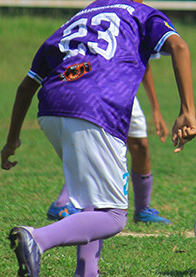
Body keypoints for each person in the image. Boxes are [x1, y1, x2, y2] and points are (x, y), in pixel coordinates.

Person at [1, 0, 196, 277]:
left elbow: (27, 84)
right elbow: (180, 47)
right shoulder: (141, 13)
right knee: (113, 217)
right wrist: (187, 110)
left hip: (51, 107)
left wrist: (12, 139)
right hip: (94, 108)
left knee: (93, 196)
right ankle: (37, 239)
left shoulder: (74, 20)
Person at [46, 65, 174, 225]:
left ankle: (143, 210)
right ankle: (63, 203)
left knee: (140, 145)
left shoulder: (136, 39)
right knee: (95, 148)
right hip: (92, 89)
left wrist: (155, 108)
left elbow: (145, 61)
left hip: (124, 92)